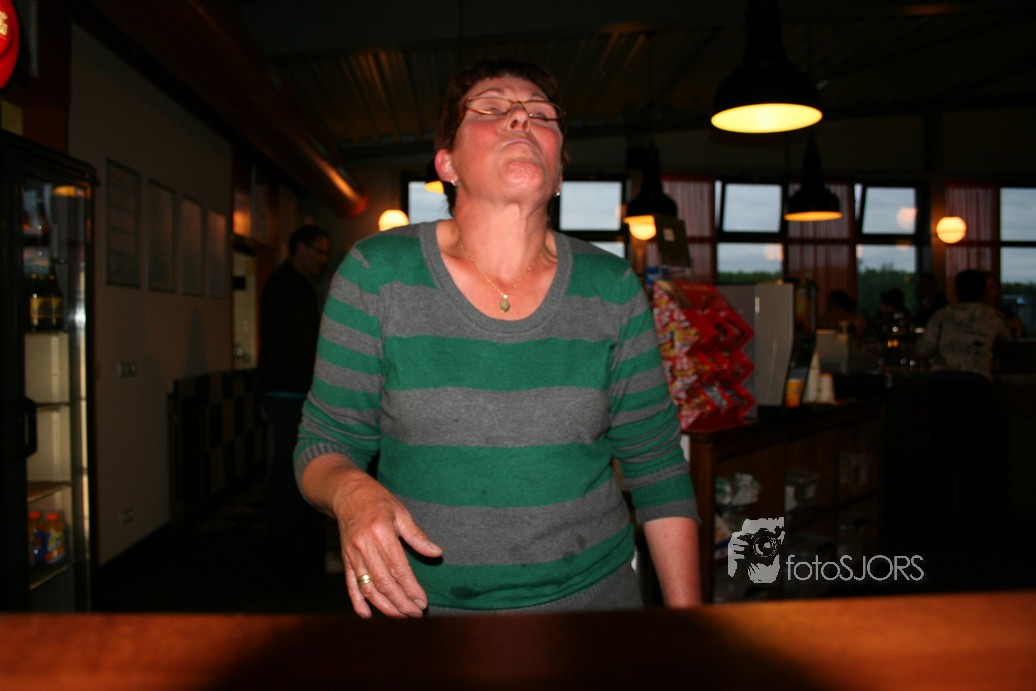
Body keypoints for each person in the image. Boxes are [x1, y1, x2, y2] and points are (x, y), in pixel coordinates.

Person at [294, 58, 701, 618]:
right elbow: (324, 443)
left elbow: (657, 465)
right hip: (426, 614)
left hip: (596, 608)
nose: (520, 119)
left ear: (559, 174)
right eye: (489, 109)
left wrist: (689, 633)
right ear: (448, 163)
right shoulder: (377, 274)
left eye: (542, 115)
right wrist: (350, 492)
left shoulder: (610, 286)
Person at [258, 223, 331, 576]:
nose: (323, 260)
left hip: (287, 389)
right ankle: (285, 540)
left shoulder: (293, 284)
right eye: (319, 251)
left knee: (290, 462)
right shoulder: (286, 286)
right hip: (286, 391)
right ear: (300, 248)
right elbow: (299, 347)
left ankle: (288, 535)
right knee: (291, 464)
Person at [914, 269, 1014, 517]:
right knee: (976, 450)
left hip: (942, 385)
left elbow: (922, 349)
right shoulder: (991, 316)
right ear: (982, 290)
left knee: (942, 449)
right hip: (976, 386)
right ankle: (973, 511)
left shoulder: (942, 314)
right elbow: (1010, 338)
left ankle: (942, 509)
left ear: (957, 290)